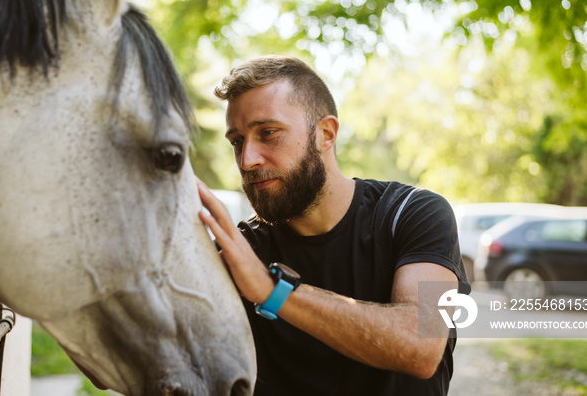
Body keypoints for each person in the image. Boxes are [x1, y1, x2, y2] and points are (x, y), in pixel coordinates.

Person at [197, 55, 469, 395]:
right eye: (237, 141)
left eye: (268, 133)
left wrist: (272, 291)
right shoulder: (241, 250)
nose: (248, 159)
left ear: (326, 134)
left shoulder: (413, 213)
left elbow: (422, 344)